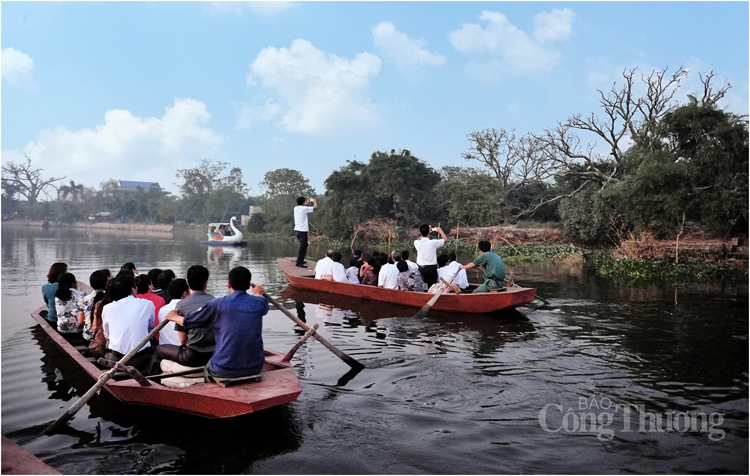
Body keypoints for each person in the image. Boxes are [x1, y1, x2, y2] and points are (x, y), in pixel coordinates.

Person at [164, 266, 269, 380]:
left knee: (208, 367)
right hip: (255, 367)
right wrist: (258, 293)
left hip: (224, 368)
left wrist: (174, 317)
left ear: (228, 284)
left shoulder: (217, 304)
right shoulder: (260, 303)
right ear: (249, 285)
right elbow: (261, 300)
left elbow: (190, 321)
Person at [149, 265, 216, 372]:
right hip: (215, 353)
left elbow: (183, 340)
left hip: (193, 356)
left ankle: (152, 381)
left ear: (187, 282)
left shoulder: (182, 305)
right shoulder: (216, 301)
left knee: (158, 350)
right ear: (206, 282)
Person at [101, 273, 155, 373]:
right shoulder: (147, 304)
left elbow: (107, 334)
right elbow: (151, 327)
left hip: (116, 359)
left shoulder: (107, 308)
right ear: (133, 289)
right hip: (141, 359)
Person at [157, 279, 190, 346]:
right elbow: (183, 340)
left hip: (164, 348)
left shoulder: (162, 309)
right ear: (185, 294)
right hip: (181, 350)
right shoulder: (187, 309)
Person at [78, 270, 109, 342]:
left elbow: (80, 321)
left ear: (91, 285)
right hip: (105, 339)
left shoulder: (84, 299)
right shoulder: (110, 299)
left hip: (88, 338)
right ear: (106, 283)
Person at [54, 272, 86, 342]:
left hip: (62, 330)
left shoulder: (57, 297)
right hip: (79, 331)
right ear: (74, 284)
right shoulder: (82, 295)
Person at [294, 196, 317, 268]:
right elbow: (315, 207)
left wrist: (306, 203)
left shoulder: (296, 208)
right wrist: (315, 201)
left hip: (297, 230)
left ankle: (300, 260)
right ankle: (299, 262)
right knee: (303, 247)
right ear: (303, 203)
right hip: (303, 231)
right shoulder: (304, 209)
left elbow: (302, 206)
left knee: (304, 245)